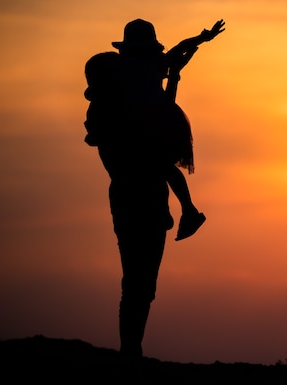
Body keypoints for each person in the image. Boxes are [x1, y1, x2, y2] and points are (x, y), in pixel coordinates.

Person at [83, 19, 225, 377]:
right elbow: (176, 57)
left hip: (131, 193)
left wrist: (196, 44)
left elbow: (175, 61)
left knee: (136, 280)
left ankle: (131, 348)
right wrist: (200, 41)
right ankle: (131, 350)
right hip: (143, 192)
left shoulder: (123, 91)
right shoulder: (138, 90)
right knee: (141, 282)